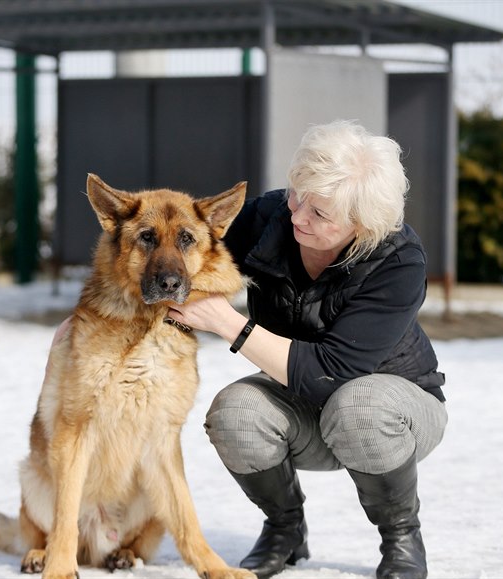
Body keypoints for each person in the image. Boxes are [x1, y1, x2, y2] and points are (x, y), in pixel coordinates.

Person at [166, 120, 448, 579]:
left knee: (358, 405)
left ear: (362, 223)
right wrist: (92, 314)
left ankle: (401, 536)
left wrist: (226, 322)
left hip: (394, 410)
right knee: (233, 411)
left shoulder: (397, 260)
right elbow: (179, 259)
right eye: (297, 195)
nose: (297, 216)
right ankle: (285, 528)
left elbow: (332, 373)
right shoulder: (268, 219)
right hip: (298, 401)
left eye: (320, 214)